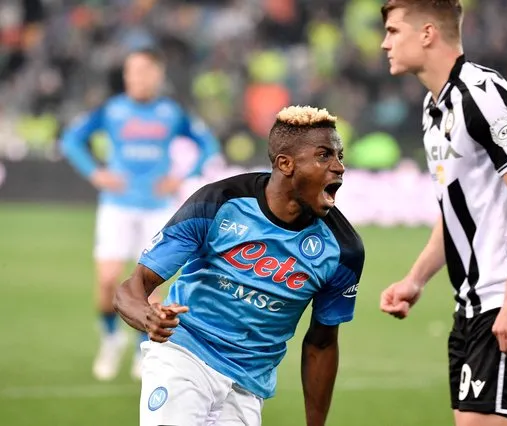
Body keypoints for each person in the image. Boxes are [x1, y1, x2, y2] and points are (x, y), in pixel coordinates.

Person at [378, 1, 507, 425]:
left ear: (427, 33)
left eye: (393, 31)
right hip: (473, 303)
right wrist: (415, 279)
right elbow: (457, 211)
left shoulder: (483, 95)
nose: (384, 43)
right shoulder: (434, 114)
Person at [113, 105, 365, 426]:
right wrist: (148, 317)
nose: (339, 167)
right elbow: (133, 287)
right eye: (324, 156)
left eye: (340, 156)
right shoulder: (218, 202)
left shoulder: (343, 249)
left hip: (248, 386)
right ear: (285, 164)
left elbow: (322, 342)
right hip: (183, 356)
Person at [60, 47, 220, 381]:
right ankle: (110, 339)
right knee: (107, 281)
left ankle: (139, 350)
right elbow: (71, 141)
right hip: (117, 205)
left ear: (157, 75)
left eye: (144, 70)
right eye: (131, 71)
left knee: (149, 286)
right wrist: (95, 172)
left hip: (157, 210)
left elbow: (208, 146)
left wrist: (181, 175)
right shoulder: (112, 110)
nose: (137, 77)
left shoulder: (171, 113)